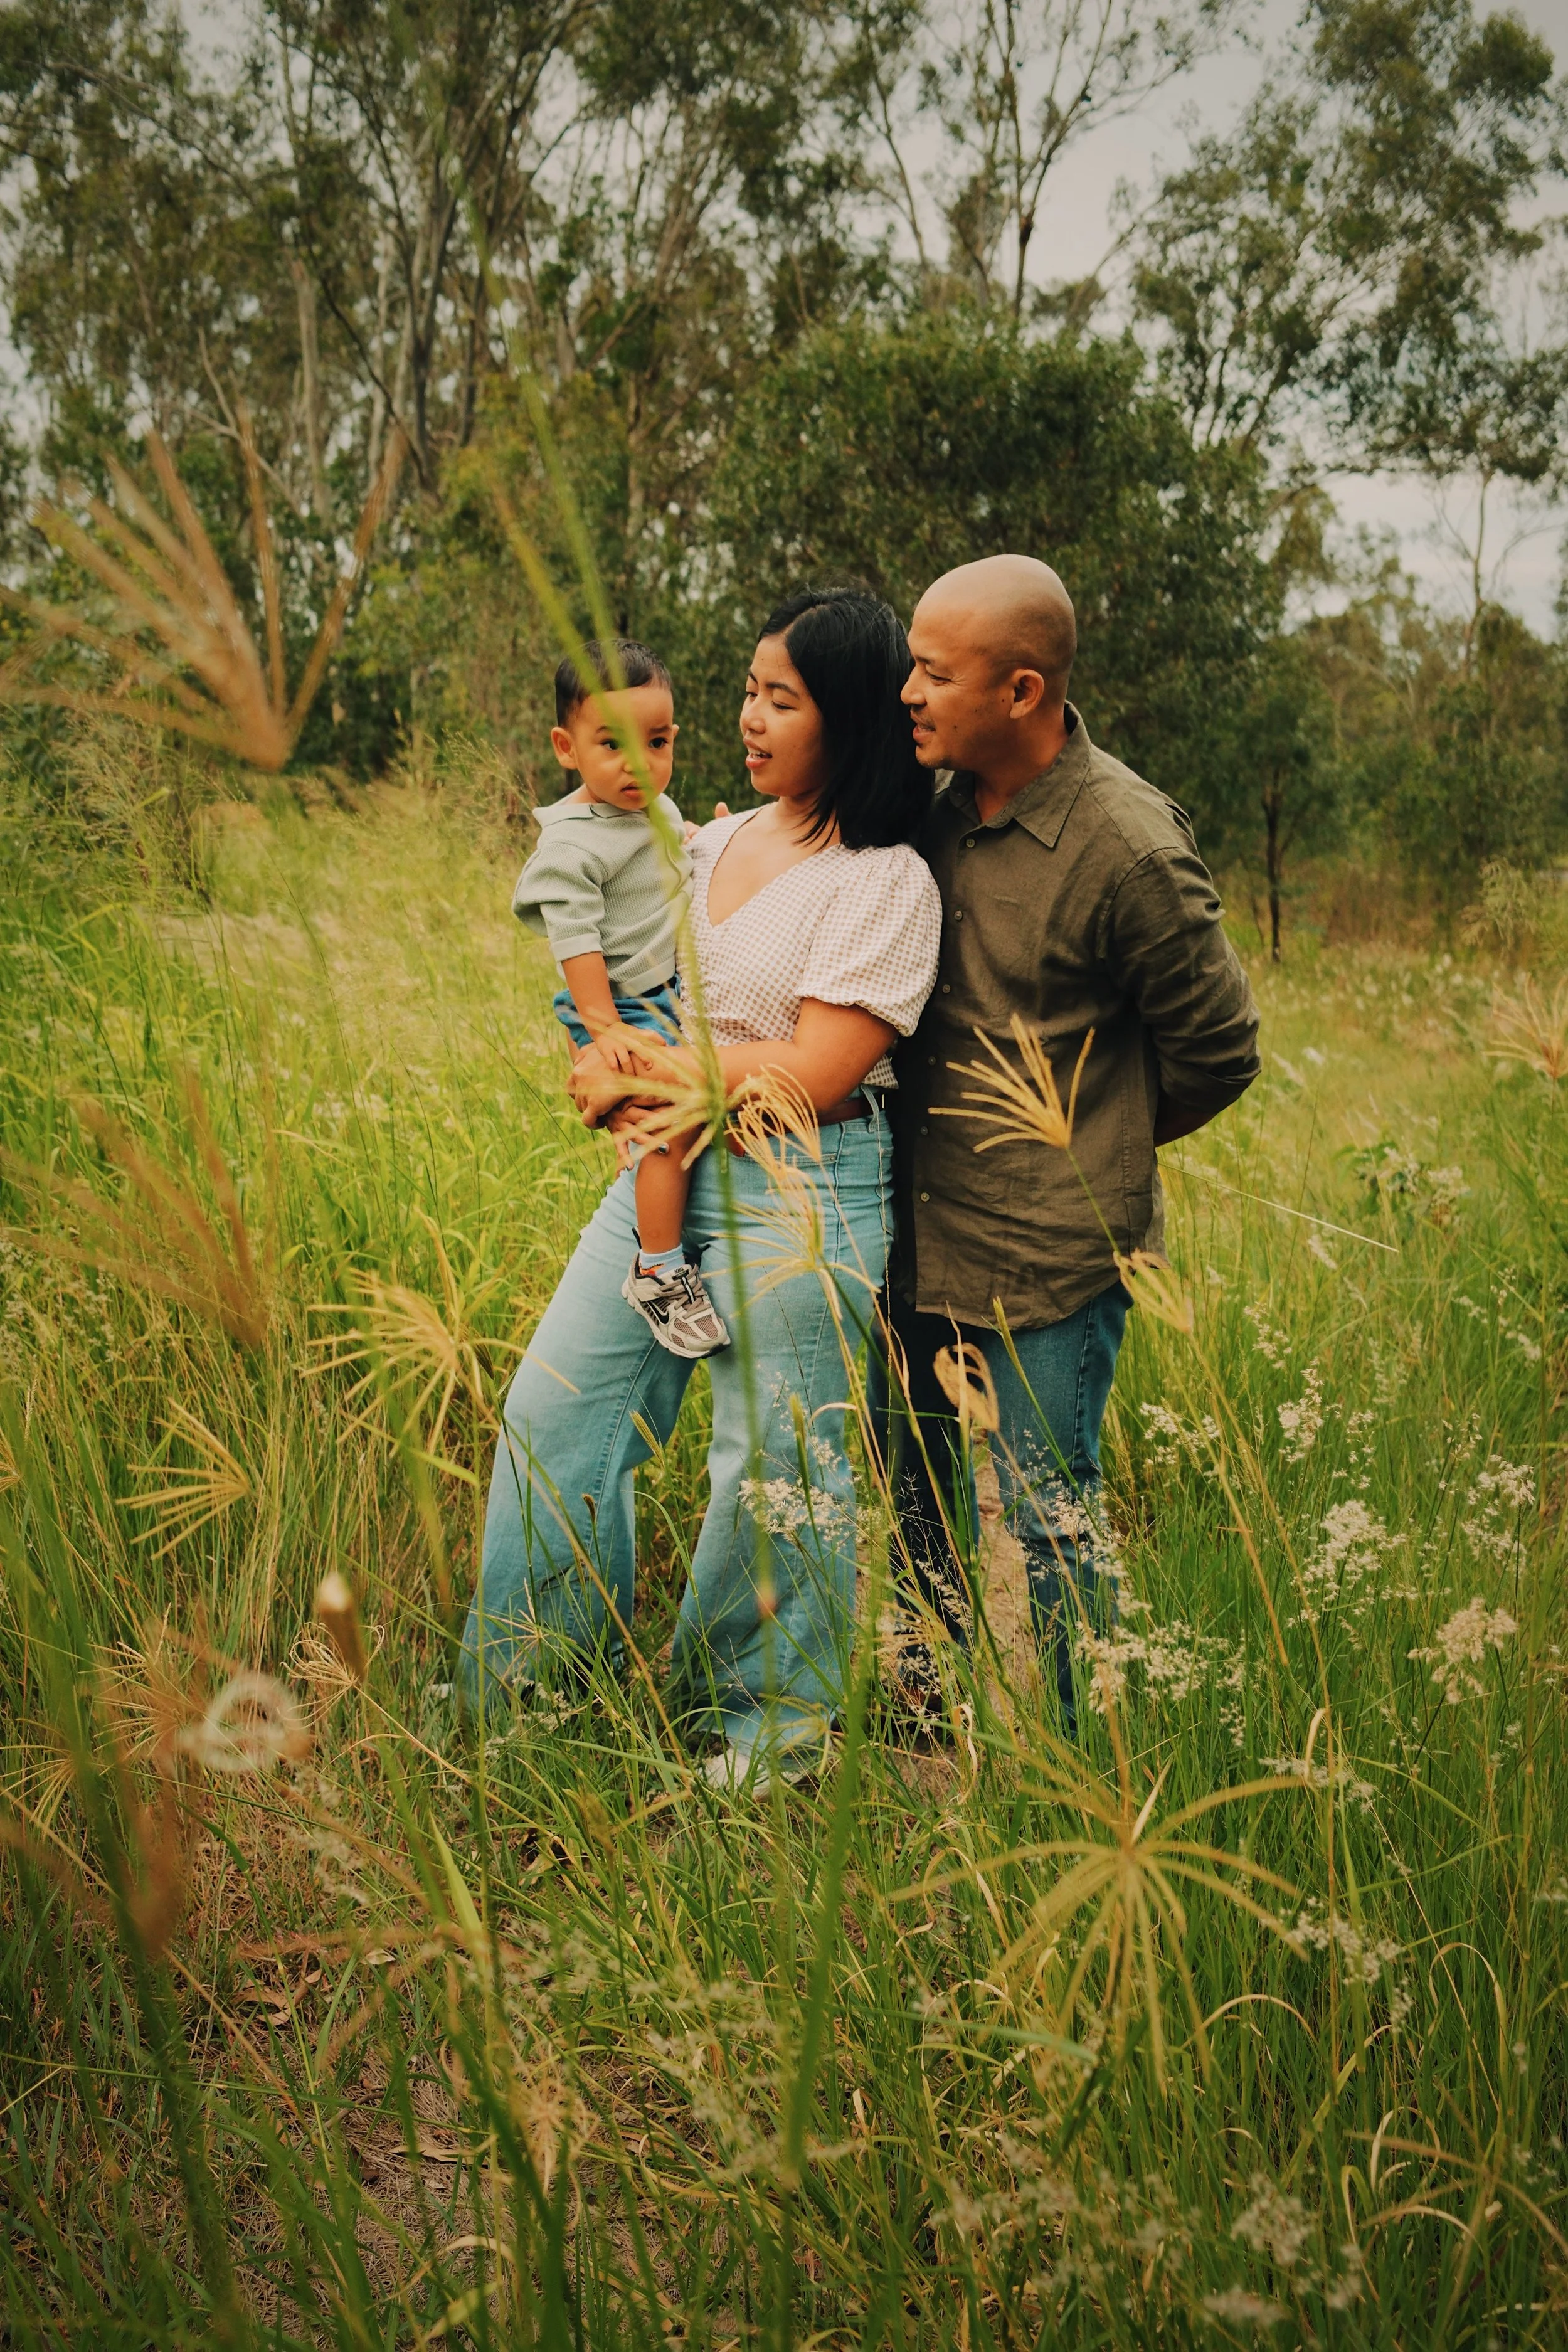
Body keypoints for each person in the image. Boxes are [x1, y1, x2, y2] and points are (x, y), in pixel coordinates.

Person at [461, 587, 943, 1793]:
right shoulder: (711, 840)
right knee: (558, 1415)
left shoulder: (884, 880)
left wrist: (650, 1072)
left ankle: (762, 1733)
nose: (749, 717)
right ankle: (527, 1681)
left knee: (776, 1473)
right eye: (748, 691)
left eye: (782, 699)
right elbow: (620, 980)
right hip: (665, 1175)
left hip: (805, 1187)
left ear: (851, 720)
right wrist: (595, 1060)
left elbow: (822, 1068)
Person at [882, 553, 1261, 1724]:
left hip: (1055, 1254)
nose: (908, 691)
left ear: (1023, 693)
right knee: (916, 1487)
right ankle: (919, 1706)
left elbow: (1219, 1048)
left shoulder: (1129, 846)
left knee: (1049, 1513)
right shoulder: (928, 810)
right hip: (917, 1225)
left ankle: (1076, 1765)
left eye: (935, 674)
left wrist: (1089, 1152)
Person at [512, 638, 728, 1359]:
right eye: (614, 744)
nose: (640, 764)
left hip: (666, 994)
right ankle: (659, 1269)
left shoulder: (653, 808)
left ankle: (645, 1175)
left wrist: (702, 840)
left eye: (658, 742)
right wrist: (604, 1033)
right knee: (667, 1118)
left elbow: (668, 862)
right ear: (566, 747)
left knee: (683, 1120)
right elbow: (574, 940)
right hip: (618, 1005)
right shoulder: (570, 846)